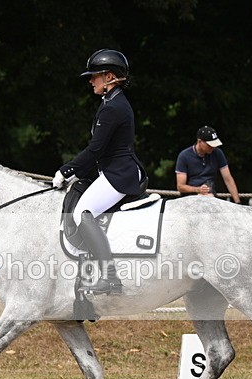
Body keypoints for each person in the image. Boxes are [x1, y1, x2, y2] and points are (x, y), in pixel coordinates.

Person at [52, 49, 146, 295]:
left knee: (83, 212)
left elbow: (95, 149)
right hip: (115, 169)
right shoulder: (111, 102)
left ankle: (110, 277)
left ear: (110, 78)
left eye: (95, 76)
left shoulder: (113, 107)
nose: (90, 80)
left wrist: (67, 169)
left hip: (120, 173)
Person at [175, 126, 241, 204]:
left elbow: (228, 179)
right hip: (189, 198)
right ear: (200, 142)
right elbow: (180, 187)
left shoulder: (218, 153)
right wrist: (198, 190)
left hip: (210, 194)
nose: (213, 147)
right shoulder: (184, 156)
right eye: (210, 145)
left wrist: (238, 202)